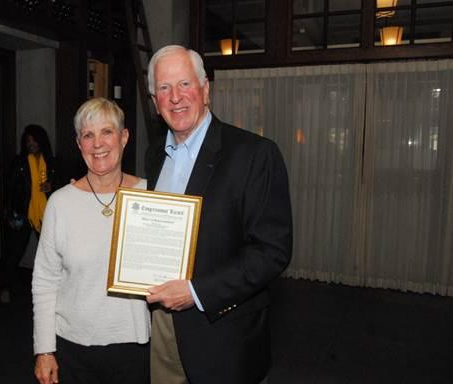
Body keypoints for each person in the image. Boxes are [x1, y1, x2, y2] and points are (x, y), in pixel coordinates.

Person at [144, 45, 293, 384]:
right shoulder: (155, 155)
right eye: (164, 88)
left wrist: (196, 292)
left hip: (224, 334)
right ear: (155, 101)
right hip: (163, 330)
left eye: (184, 84)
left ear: (205, 89)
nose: (175, 97)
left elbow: (272, 252)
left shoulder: (255, 154)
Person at [32, 98, 150, 384]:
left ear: (123, 138)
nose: (98, 143)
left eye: (107, 132)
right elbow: (45, 281)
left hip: (133, 345)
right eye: (88, 134)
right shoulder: (61, 203)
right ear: (79, 144)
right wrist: (44, 350)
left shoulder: (151, 196)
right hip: (72, 348)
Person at [1, 124, 59, 304]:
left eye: (34, 140)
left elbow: (63, 186)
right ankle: (5, 288)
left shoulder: (52, 162)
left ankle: (54, 292)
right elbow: (9, 189)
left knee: (52, 255)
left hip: (46, 215)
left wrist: (52, 186)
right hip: (23, 213)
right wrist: (9, 213)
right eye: (28, 141)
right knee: (14, 253)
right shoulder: (19, 162)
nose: (31, 144)